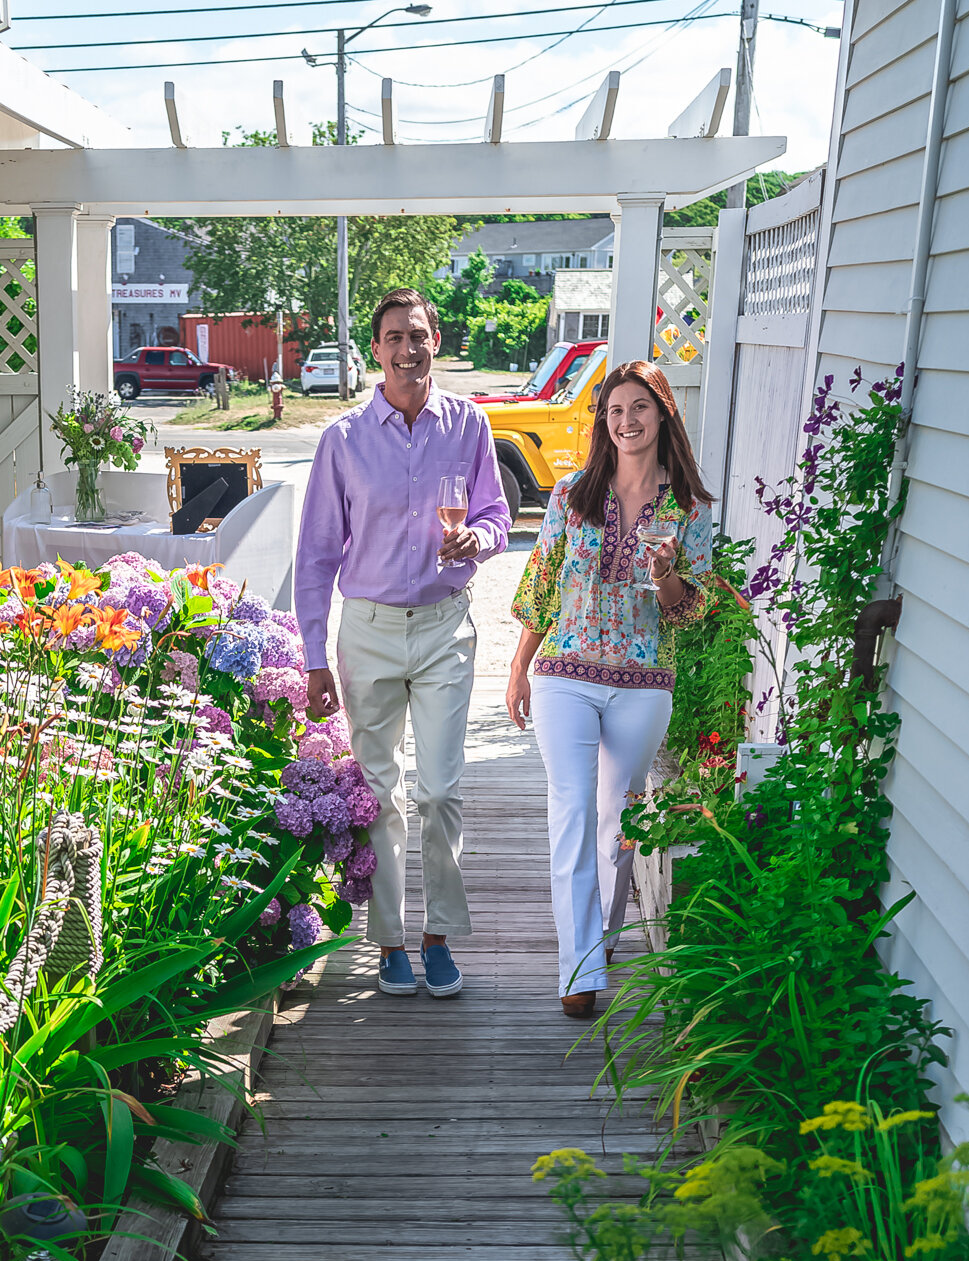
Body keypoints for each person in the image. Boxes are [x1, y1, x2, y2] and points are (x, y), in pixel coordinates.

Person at [297, 288, 512, 998]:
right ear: (376, 350)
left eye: (417, 335)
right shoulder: (344, 439)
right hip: (371, 632)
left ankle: (438, 935)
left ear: (435, 340)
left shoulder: (470, 424)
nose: (407, 349)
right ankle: (389, 940)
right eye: (393, 337)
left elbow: (496, 514)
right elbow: (317, 555)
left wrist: (476, 539)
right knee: (379, 793)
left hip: (447, 625)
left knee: (442, 790)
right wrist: (313, 657)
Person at [505, 359, 714, 1019]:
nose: (626, 421)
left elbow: (691, 610)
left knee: (616, 821)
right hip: (565, 674)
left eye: (639, 409)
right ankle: (580, 972)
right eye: (615, 410)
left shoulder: (688, 509)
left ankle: (596, 938)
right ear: (605, 421)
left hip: (644, 681)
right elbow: (542, 586)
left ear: (663, 416)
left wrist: (668, 576)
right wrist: (519, 669)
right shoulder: (571, 494)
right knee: (569, 810)